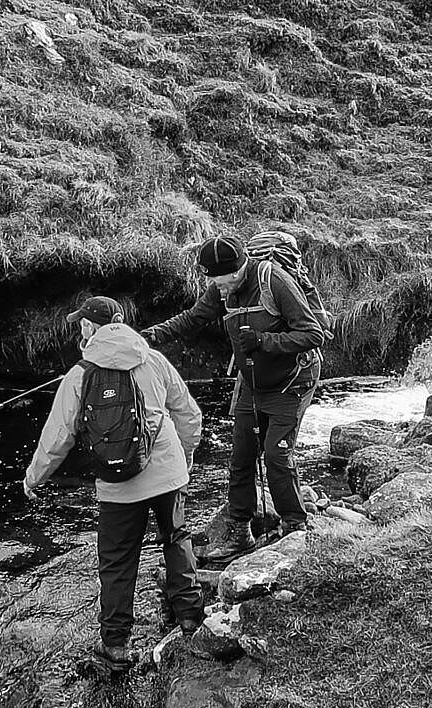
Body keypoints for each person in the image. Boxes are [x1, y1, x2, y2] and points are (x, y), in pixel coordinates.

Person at [22, 296, 205, 672]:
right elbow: (188, 412)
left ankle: (116, 646)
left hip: (116, 484)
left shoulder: (79, 375)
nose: (80, 329)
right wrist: (185, 457)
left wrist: (33, 478)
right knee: (176, 537)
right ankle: (190, 617)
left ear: (90, 328)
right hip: (168, 472)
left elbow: (58, 437)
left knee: (117, 562)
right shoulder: (153, 360)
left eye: (82, 324)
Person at [142, 232, 324, 560]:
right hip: (253, 383)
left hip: (292, 382)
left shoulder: (275, 281)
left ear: (237, 270)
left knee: (276, 456)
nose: (217, 288)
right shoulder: (220, 287)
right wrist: (155, 334)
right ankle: (239, 530)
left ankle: (295, 528)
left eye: (220, 281)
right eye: (212, 281)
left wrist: (264, 340)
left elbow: (313, 333)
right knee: (240, 456)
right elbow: (194, 317)